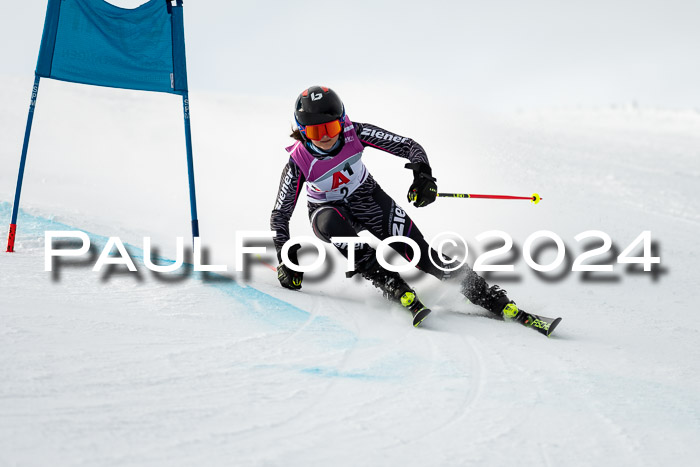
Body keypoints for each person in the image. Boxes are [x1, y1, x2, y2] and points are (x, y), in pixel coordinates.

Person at [270, 85, 528, 328]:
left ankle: (486, 294)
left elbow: (409, 146)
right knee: (333, 225)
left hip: (368, 200)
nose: (325, 137)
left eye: (331, 128)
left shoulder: (355, 132)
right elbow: (280, 214)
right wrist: (286, 258)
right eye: (316, 132)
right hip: (328, 211)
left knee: (423, 256)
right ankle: (390, 283)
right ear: (303, 132)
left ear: (343, 121)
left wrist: (422, 176)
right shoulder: (298, 161)